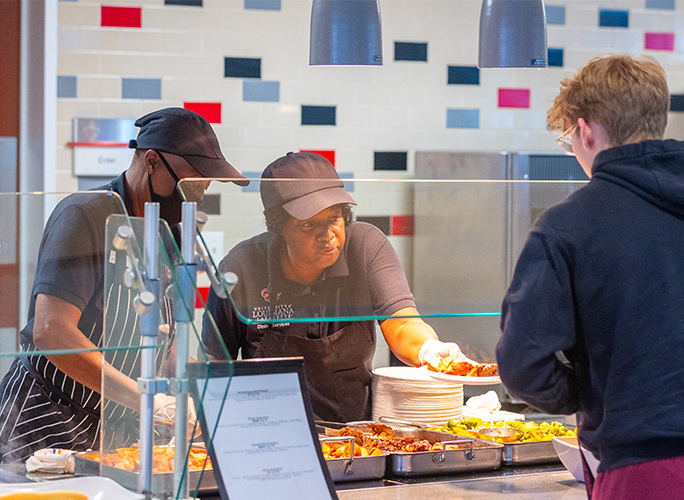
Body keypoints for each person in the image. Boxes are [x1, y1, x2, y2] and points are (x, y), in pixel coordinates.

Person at [0, 107, 246, 463]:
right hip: (51, 417)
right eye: (193, 183)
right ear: (152, 162)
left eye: (204, 186)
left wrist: (207, 390)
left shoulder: (165, 230)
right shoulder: (86, 215)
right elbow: (51, 331)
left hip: (117, 426)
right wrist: (146, 400)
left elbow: (163, 341)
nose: (199, 196)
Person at [496, 54, 684, 498]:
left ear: (585, 130)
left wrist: (584, 393)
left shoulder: (568, 226)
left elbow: (522, 362)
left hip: (644, 467)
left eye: (569, 140)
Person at [201, 151, 461, 422]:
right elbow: (214, 363)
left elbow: (403, 322)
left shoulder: (366, 246)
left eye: (335, 218)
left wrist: (427, 348)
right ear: (278, 227)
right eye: (309, 224)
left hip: (355, 440)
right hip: (270, 434)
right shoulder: (241, 267)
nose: (327, 235)